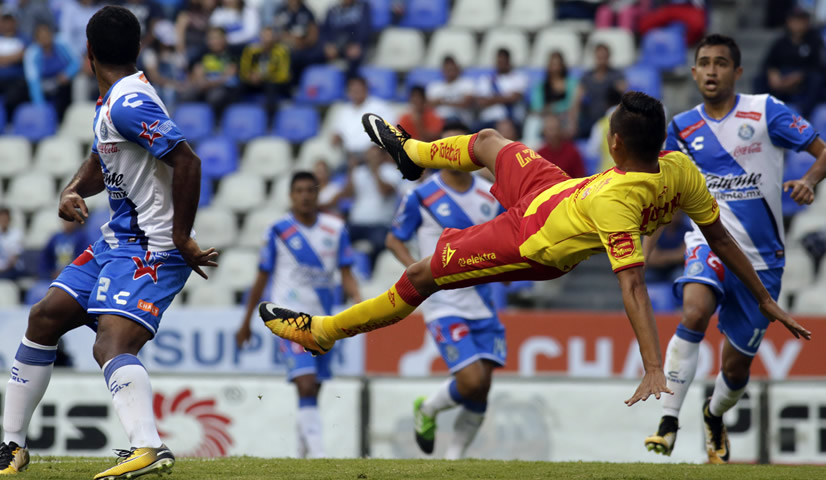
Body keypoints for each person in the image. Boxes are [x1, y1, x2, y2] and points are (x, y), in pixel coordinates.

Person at [260, 92, 811, 417]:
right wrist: (763, 298)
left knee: (421, 273)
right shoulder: (679, 166)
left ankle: (324, 332)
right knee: (488, 141)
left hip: (532, 243)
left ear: (615, 144)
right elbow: (719, 236)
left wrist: (650, 363)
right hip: (555, 190)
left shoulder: (623, 201)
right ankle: (413, 153)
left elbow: (634, 285)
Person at [0, 6, 217, 478]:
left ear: (86, 53)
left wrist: (180, 238)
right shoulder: (113, 102)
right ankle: (12, 446)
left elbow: (188, 162)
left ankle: (148, 447)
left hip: (154, 247)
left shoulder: (130, 104)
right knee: (45, 315)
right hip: (119, 242)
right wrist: (72, 188)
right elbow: (102, 157)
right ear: (136, 49)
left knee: (110, 344)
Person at [643, 34, 826, 464]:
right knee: (693, 311)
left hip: (763, 261)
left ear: (737, 71)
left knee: (734, 370)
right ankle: (668, 421)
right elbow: (662, 194)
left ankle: (713, 414)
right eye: (704, 62)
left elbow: (822, 151)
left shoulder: (765, 111)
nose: (711, 70)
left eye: (721, 63)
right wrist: (642, 251)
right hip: (708, 242)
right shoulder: (681, 128)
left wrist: (809, 181)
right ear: (692, 72)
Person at [385, 121, 505, 460]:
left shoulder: (488, 193)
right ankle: (428, 410)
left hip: (483, 300)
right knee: (469, 381)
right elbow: (394, 239)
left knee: (482, 388)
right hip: (443, 301)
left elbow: (502, 237)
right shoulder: (421, 195)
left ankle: (454, 460)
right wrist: (417, 273)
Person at [236, 171, 361, 459]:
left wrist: (358, 301)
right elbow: (261, 278)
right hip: (289, 320)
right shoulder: (277, 230)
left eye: (310, 190)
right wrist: (246, 323)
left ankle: (302, 453)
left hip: (325, 323)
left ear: (318, 195)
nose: (305, 195)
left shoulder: (335, 228)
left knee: (313, 388)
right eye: (299, 191)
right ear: (291, 196)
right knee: (305, 383)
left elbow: (346, 273)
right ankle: (319, 457)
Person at [759, 7, 825, 117]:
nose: (797, 24)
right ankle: (762, 112)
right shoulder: (781, 42)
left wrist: (799, 77)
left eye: (801, 21)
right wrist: (773, 75)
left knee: (816, 79)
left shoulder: (815, 41)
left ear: (807, 22)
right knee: (760, 79)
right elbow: (769, 62)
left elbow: (818, 66)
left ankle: (804, 115)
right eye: (794, 20)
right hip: (782, 76)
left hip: (803, 78)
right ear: (788, 22)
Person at [568, 43, 627, 139]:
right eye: (599, 57)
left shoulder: (616, 76)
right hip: (590, 119)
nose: (602, 60)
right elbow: (576, 102)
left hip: (610, 120)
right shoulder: (587, 77)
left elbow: (623, 97)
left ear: (609, 57)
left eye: (604, 57)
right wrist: (573, 123)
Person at [23, 22, 80, 120]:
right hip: (44, 84)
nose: (45, 39)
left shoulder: (62, 44)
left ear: (52, 35)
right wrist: (40, 108)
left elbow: (77, 62)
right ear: (36, 39)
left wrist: (67, 74)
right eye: (41, 37)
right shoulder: (32, 53)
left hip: (63, 81)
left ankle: (72, 117)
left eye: (47, 35)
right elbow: (33, 80)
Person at [332, 75, 395, 159]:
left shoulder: (380, 107)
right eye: (353, 90)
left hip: (374, 154)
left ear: (366, 89)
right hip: (349, 154)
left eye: (358, 89)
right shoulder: (344, 111)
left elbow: (389, 132)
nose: (356, 92)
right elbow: (337, 133)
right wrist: (336, 138)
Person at [185, 26, 240, 118]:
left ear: (224, 39)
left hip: (226, 88)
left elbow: (228, 76)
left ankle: (217, 123)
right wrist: (201, 82)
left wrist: (209, 83)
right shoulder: (202, 54)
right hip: (206, 86)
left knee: (214, 96)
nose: (214, 41)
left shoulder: (232, 54)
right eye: (211, 39)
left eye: (217, 38)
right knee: (187, 94)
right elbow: (197, 72)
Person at [240, 26, 292, 117]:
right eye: (264, 36)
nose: (267, 39)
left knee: (271, 87)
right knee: (238, 86)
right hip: (255, 82)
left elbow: (284, 75)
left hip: (275, 82)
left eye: (269, 36)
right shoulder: (251, 50)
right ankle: (236, 115)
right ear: (260, 37)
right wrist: (250, 76)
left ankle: (270, 119)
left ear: (275, 38)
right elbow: (243, 70)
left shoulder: (282, 51)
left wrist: (264, 76)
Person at [475, 48, 528, 127]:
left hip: (509, 120)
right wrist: (505, 97)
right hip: (487, 120)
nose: (501, 64)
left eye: (503, 61)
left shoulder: (519, 77)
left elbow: (514, 98)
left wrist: (491, 99)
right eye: (499, 61)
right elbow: (481, 102)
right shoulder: (486, 79)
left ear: (508, 61)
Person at [321, 0, 371, 77]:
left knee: (353, 60)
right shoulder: (332, 9)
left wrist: (358, 44)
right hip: (335, 47)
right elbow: (324, 31)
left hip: (355, 46)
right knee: (313, 56)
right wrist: (327, 46)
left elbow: (365, 29)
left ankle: (350, 85)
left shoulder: (363, 6)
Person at [426, 56, 477, 126]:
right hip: (438, 120)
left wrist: (442, 102)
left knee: (451, 120)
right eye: (447, 69)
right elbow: (428, 105)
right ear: (442, 70)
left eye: (452, 68)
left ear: (457, 68)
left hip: (460, 120)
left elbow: (465, 103)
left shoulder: (466, 83)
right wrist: (455, 102)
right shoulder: (434, 86)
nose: (450, 71)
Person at [531, 51, 578, 118]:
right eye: (553, 64)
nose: (555, 68)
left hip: (564, 116)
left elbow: (572, 103)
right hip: (544, 117)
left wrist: (554, 108)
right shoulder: (540, 86)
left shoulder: (572, 83)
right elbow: (536, 105)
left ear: (562, 66)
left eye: (558, 64)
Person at [537, 113, 585, 178]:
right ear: (544, 132)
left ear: (560, 130)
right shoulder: (539, 155)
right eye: (549, 129)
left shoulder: (572, 152)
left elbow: (580, 177)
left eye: (554, 129)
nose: (552, 134)